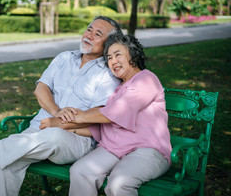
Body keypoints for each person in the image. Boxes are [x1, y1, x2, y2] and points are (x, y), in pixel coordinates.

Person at [0, 16, 122, 195]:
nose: (89, 35)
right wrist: (56, 112)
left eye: (97, 34)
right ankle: (2, 150)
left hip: (75, 139)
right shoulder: (64, 58)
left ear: (108, 44)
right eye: (89, 29)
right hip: (37, 130)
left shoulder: (107, 73)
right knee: (7, 160)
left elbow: (100, 114)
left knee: (54, 136)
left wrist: (63, 122)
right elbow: (41, 88)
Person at [59, 33, 172, 196]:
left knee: (119, 184)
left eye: (118, 55)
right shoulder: (117, 90)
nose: (113, 61)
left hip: (148, 150)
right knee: (80, 171)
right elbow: (103, 126)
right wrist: (69, 127)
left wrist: (77, 117)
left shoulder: (146, 80)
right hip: (114, 149)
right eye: (109, 58)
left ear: (133, 55)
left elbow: (114, 114)